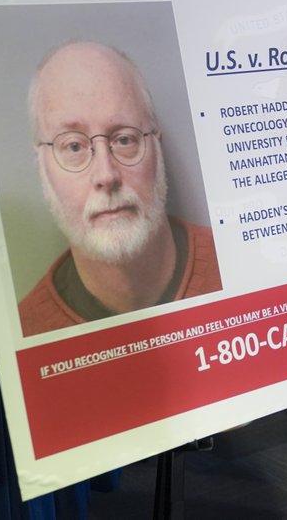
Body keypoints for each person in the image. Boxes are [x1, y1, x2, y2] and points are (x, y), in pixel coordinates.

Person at [19, 41, 221, 336]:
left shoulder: (240, 261)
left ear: (157, 148)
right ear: (41, 166)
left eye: (124, 140)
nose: (106, 174)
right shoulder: (27, 334)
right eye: (73, 146)